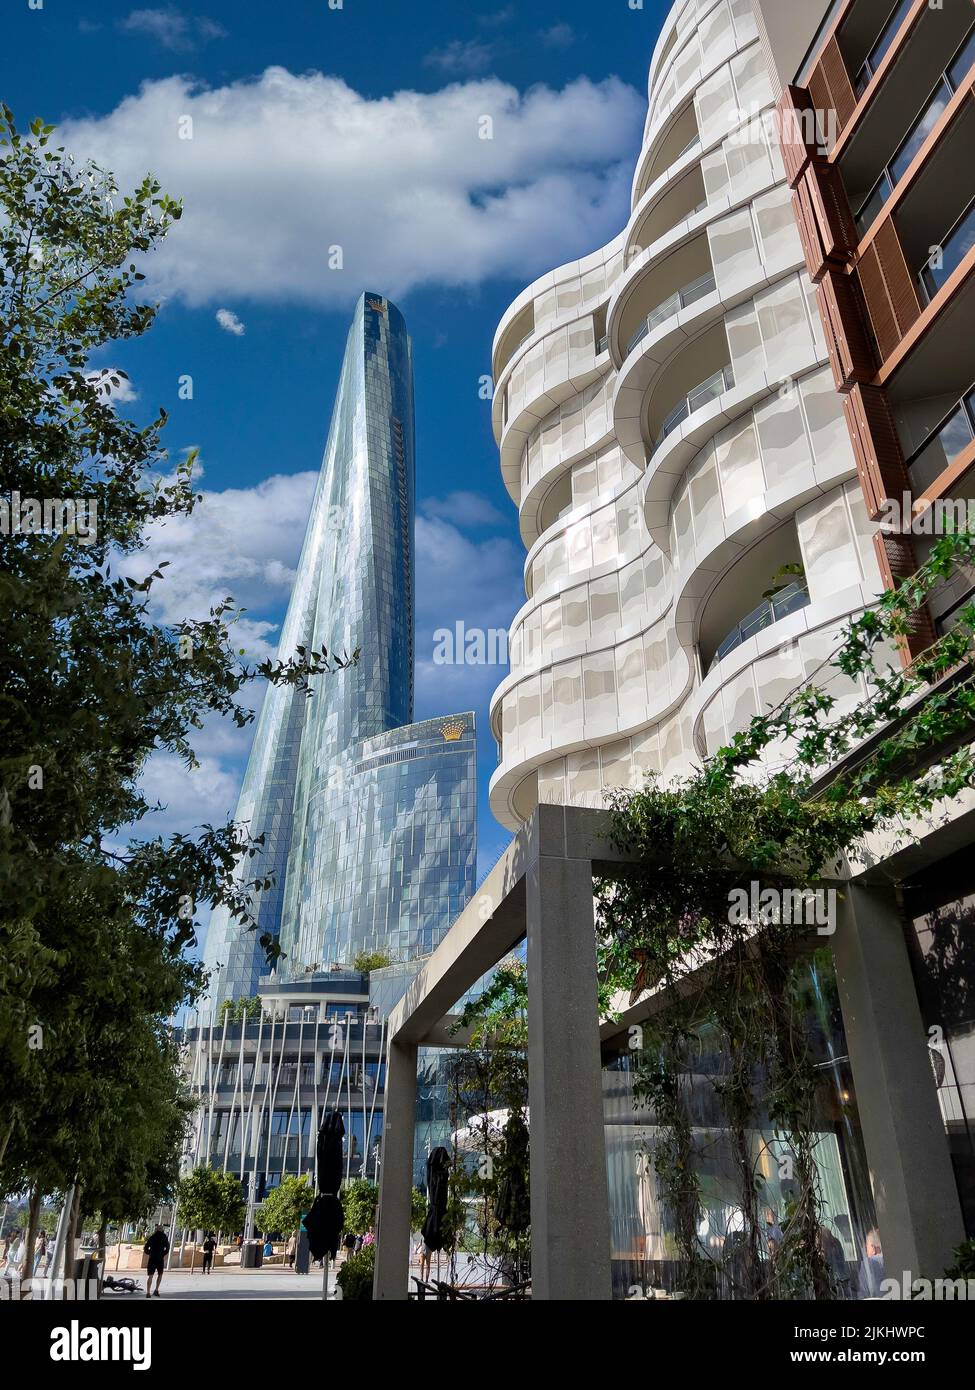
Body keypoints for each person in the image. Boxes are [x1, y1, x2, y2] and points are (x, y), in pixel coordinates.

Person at [143, 1224, 170, 1298]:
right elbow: (167, 1248)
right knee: (160, 1274)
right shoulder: (164, 1237)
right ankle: (156, 1290)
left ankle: (148, 1292)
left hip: (152, 1259)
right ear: (161, 1230)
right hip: (159, 1259)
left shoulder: (152, 1237)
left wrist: (150, 1253)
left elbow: (145, 1248)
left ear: (156, 1229)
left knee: (150, 1276)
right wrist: (162, 1254)